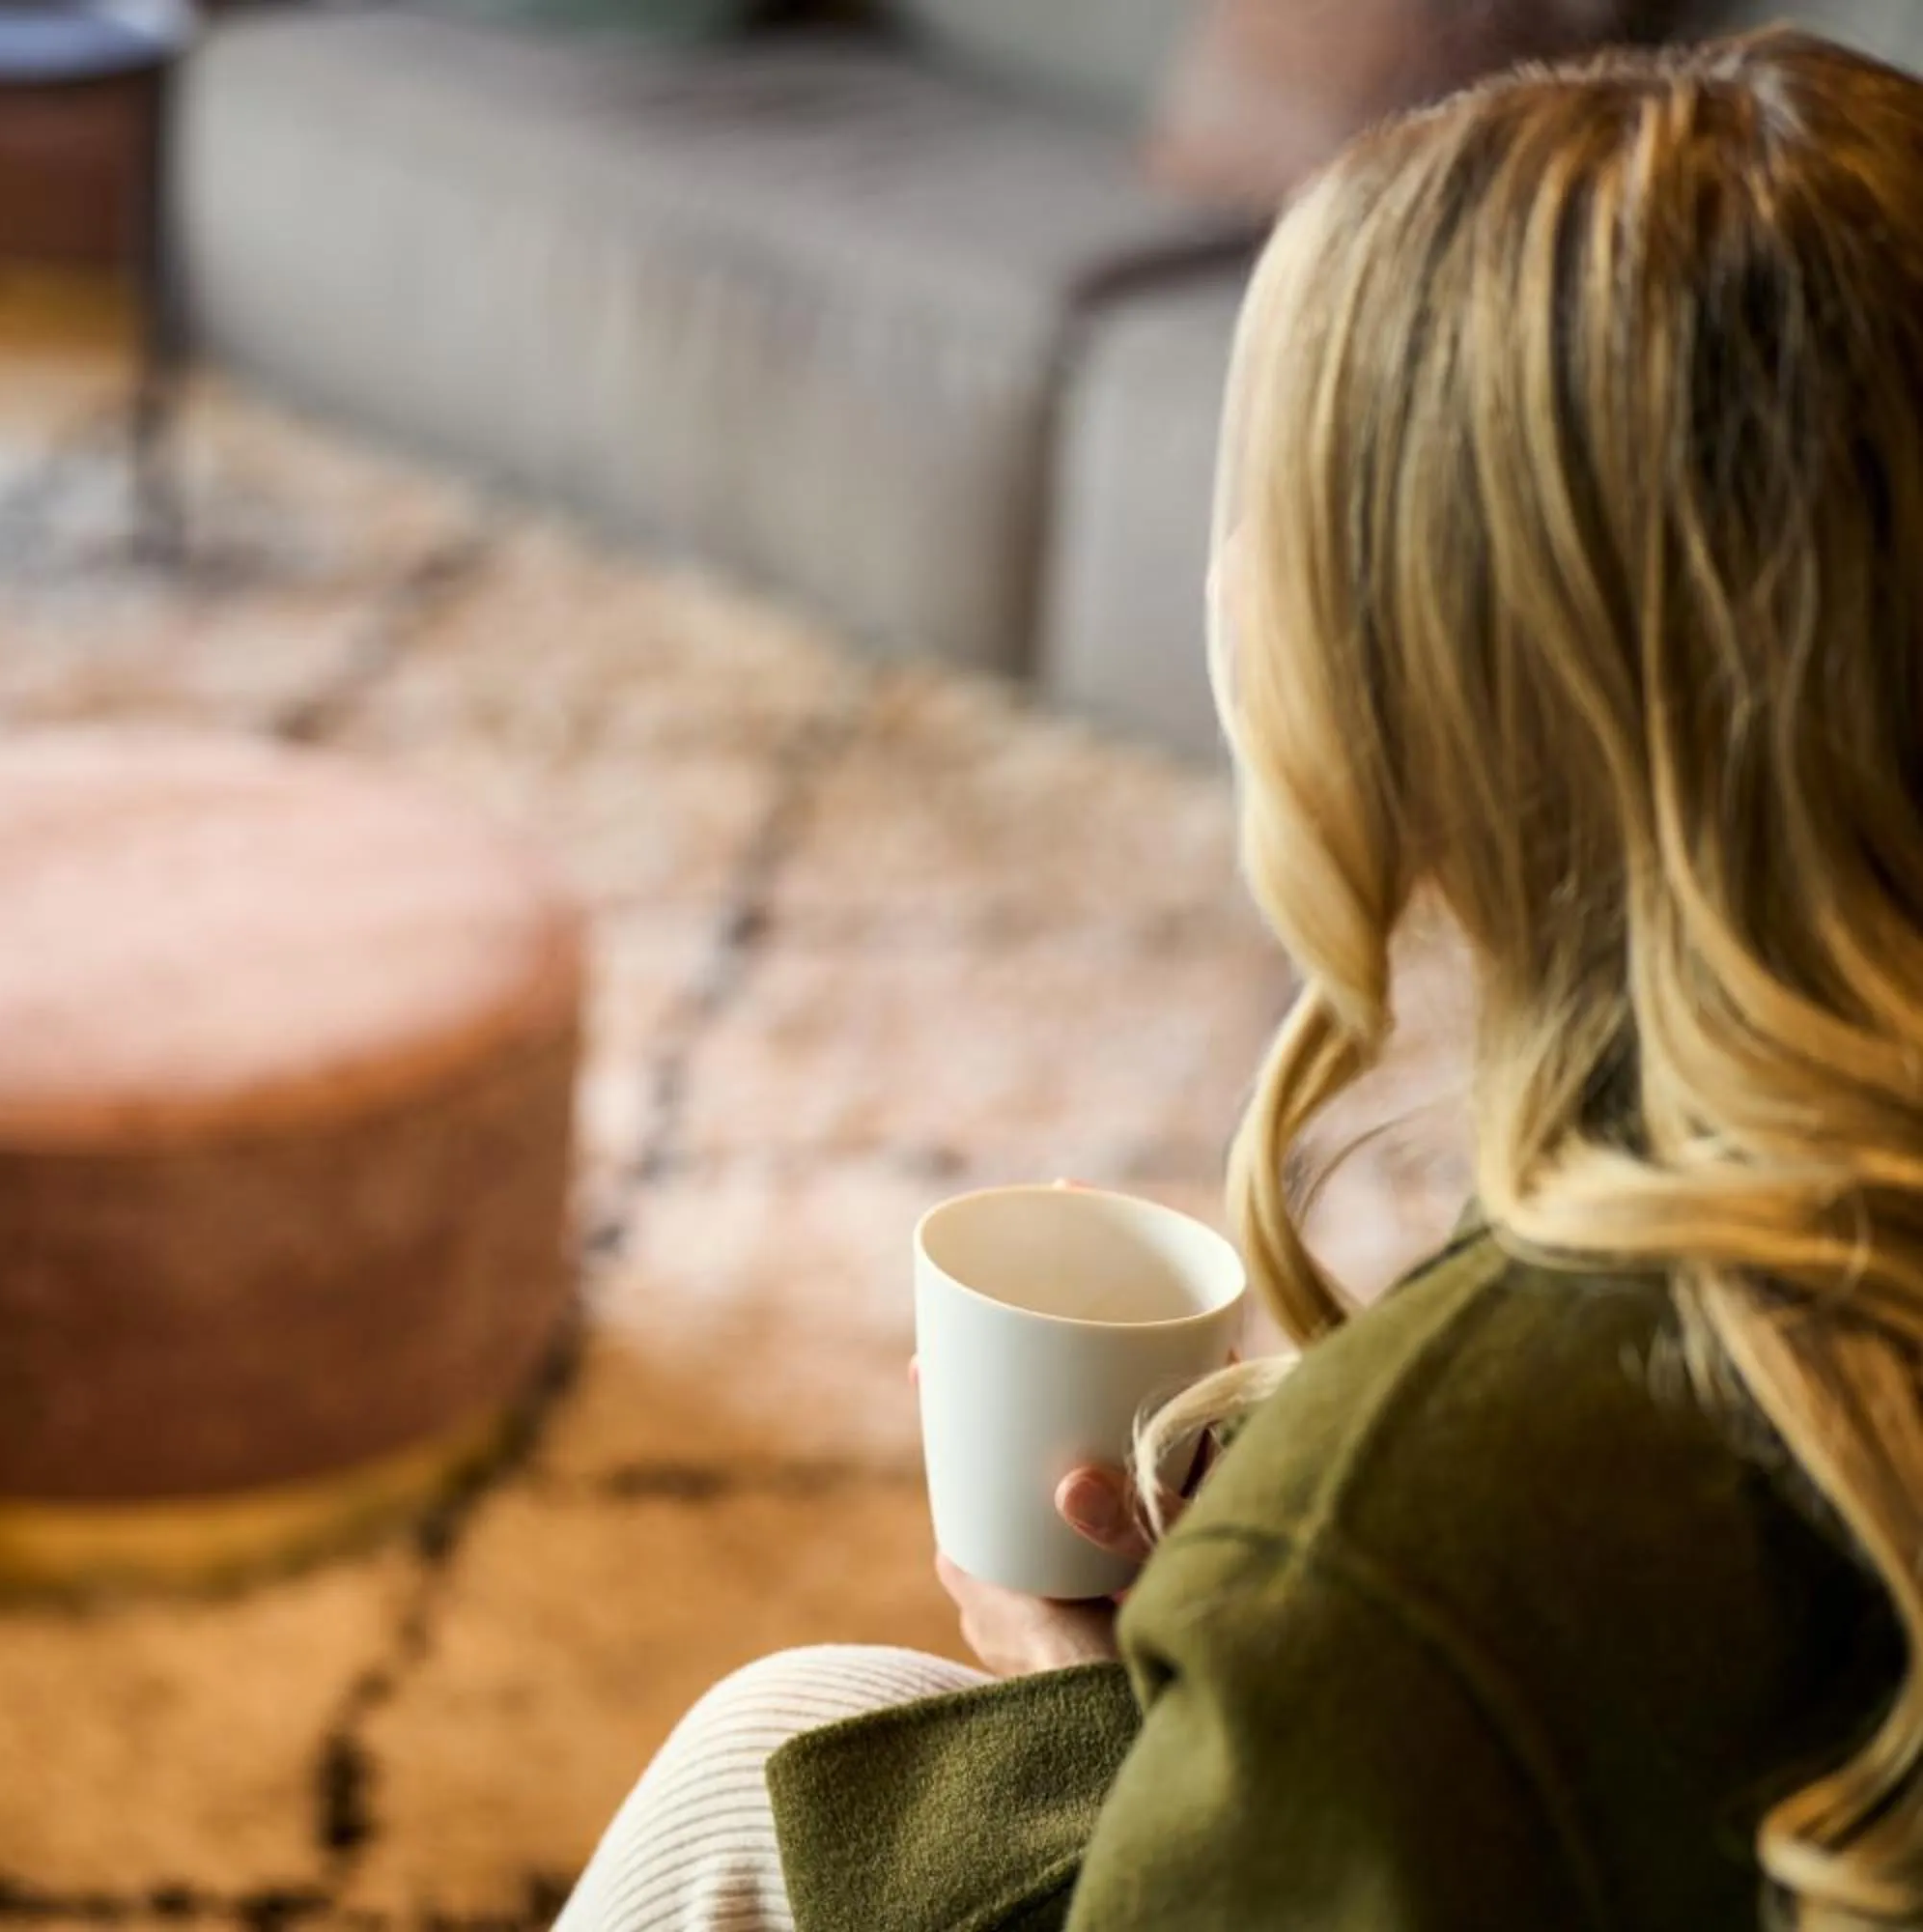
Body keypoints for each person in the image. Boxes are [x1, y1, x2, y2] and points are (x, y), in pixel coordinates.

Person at [552, 28, 1923, 1932]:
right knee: (792, 1727)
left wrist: (1139, 1676)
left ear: (1442, 684)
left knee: (759, 1763)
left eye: (1261, 512)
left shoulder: (1406, 1545)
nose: (1218, 589)